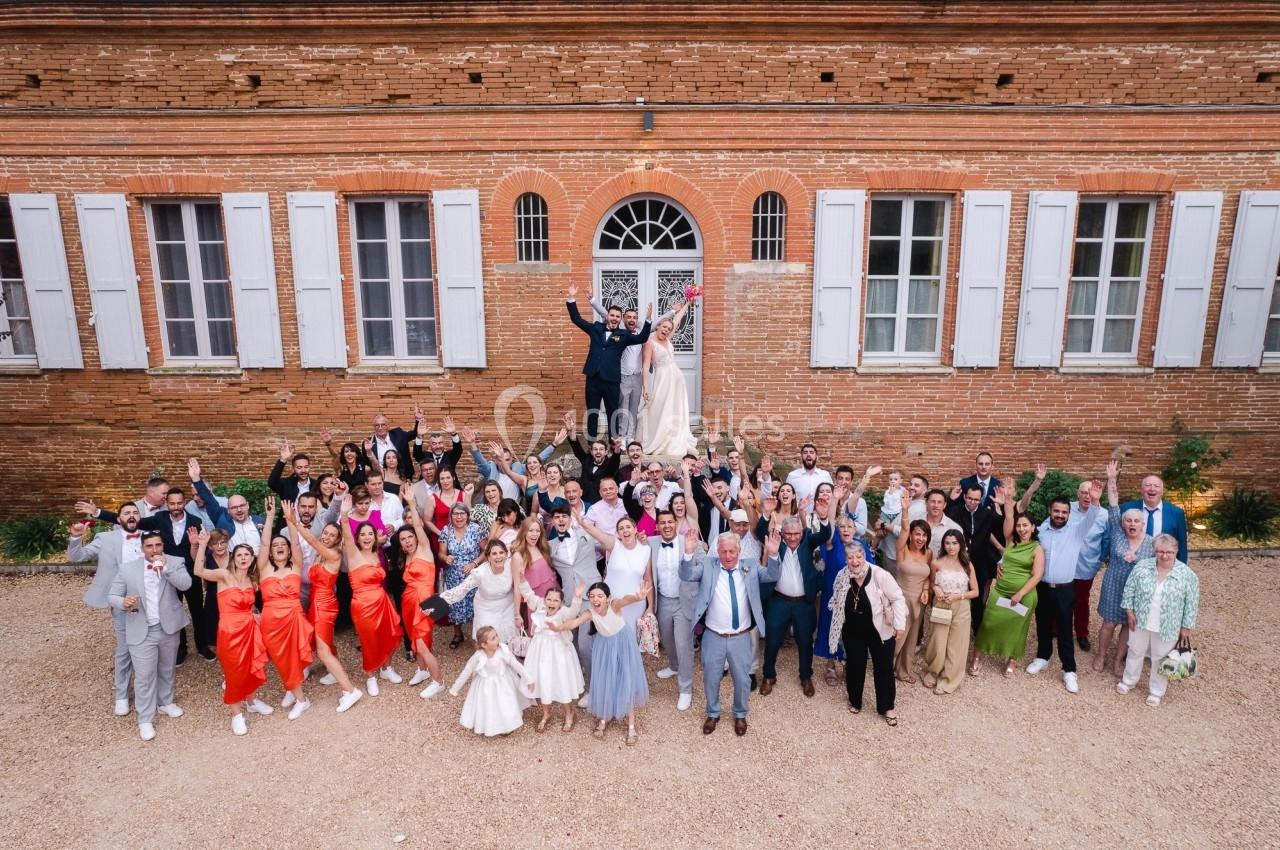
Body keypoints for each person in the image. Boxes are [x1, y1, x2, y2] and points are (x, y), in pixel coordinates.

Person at [679, 529, 782, 737]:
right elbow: (686, 575)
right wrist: (688, 553)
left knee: (743, 679)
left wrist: (772, 554)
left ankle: (740, 713)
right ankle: (713, 712)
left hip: (741, 636)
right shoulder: (708, 566)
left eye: (732, 551)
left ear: (739, 551)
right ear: (717, 551)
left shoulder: (750, 566)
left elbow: (772, 575)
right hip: (713, 635)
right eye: (723, 551)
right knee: (711, 677)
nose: (727, 556)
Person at [91, 488, 208, 664]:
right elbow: (133, 521)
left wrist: (194, 545)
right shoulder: (160, 518)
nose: (176, 507)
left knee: (197, 610)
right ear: (166, 503)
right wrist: (98, 513)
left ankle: (202, 645)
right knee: (172, 610)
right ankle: (181, 648)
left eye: (179, 503)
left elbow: (197, 553)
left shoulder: (195, 521)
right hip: (166, 573)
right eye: (172, 503)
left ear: (184, 502)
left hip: (189, 574)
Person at [277, 507, 363, 712]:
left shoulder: (333, 554)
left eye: (332, 535)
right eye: (325, 533)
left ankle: (350, 690)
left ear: (337, 539)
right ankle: (332, 673)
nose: (326, 537)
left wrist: (295, 522)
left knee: (323, 652)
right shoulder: (320, 555)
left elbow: (312, 541)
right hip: (317, 602)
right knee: (323, 643)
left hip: (324, 605)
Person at [107, 530, 191, 741]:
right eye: (150, 546)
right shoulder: (128, 568)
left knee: (167, 669)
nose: (154, 550)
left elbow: (186, 584)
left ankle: (165, 702)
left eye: (158, 545)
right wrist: (123, 602)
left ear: (163, 545)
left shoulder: (175, 561)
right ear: (142, 547)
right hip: (141, 629)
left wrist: (166, 569)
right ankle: (144, 719)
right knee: (144, 676)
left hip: (168, 626)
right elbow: (112, 595)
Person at [552, 580, 652, 744]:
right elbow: (575, 622)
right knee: (605, 680)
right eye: (592, 596)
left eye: (600, 596)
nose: (595, 599)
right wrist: (559, 627)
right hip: (604, 647)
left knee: (624, 680)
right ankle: (604, 717)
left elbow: (625, 600)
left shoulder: (613, 605)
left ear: (608, 597)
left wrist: (637, 597)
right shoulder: (590, 613)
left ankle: (631, 725)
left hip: (622, 645)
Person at [67, 504, 144, 716]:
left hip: (148, 599)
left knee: (148, 645)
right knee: (125, 647)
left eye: (135, 513)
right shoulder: (105, 538)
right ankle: (122, 695)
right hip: (120, 600)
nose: (131, 516)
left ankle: (149, 693)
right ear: (118, 519)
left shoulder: (150, 537)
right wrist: (76, 537)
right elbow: (77, 557)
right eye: (126, 513)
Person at [193, 538, 273, 735]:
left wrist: (256, 614)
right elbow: (198, 571)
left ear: (252, 558)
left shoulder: (252, 579)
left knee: (252, 667)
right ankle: (236, 715)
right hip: (230, 630)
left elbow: (250, 604)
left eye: (247, 555)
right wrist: (202, 545)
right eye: (239, 555)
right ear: (233, 558)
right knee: (234, 672)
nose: (243, 558)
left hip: (249, 628)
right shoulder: (224, 575)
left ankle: (251, 702)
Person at [826, 543, 907, 726]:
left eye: (858, 557)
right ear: (846, 559)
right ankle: (855, 700)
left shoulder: (880, 575)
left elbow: (897, 598)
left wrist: (899, 625)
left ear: (864, 556)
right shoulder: (842, 576)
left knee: (884, 668)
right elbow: (837, 600)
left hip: (879, 630)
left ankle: (887, 707)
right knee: (855, 666)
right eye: (850, 557)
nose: (855, 561)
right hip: (853, 630)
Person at [1118, 535, 1199, 707]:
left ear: (1176, 551)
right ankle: (1128, 681)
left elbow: (1191, 603)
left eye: (1169, 552)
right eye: (1160, 551)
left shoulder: (1187, 574)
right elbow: (1129, 589)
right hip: (1140, 619)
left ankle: (1156, 691)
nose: (1164, 556)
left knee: (1160, 657)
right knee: (1135, 651)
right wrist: (1129, 611)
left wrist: (1186, 627)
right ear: (1154, 551)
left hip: (1169, 624)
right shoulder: (1142, 566)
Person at [566, 281, 652, 440]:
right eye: (612, 315)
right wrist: (571, 298)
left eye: (618, 317)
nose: (614, 318)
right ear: (607, 316)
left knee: (613, 413)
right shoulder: (596, 328)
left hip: (612, 381)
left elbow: (642, 337)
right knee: (592, 413)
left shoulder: (624, 335)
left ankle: (615, 446)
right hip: (593, 378)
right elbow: (576, 319)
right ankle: (592, 445)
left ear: (620, 320)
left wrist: (647, 320)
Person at [972, 485, 1043, 677]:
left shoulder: (1037, 548)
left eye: (1025, 525)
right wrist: (1008, 501)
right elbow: (1009, 517)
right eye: (1019, 526)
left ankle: (1012, 659)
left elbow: (1037, 575)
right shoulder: (1011, 541)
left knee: (1017, 628)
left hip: (1024, 594)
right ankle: (977, 656)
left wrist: (1020, 593)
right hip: (1002, 589)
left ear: (1033, 527)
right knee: (988, 622)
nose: (1021, 529)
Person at [254, 497, 314, 720]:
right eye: (275, 546)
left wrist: (291, 520)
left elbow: (296, 543)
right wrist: (270, 517)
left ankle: (301, 699)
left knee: (294, 657)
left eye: (283, 545)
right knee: (280, 658)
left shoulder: (295, 566)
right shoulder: (264, 569)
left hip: (293, 617)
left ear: (289, 551)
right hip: (272, 620)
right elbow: (263, 544)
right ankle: (293, 689)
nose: (279, 547)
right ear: (270, 552)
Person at [758, 513, 830, 698]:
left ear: (802, 533)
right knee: (772, 641)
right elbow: (760, 531)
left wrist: (823, 517)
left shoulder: (807, 543)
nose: (792, 538)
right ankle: (768, 676)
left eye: (796, 533)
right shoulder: (777, 544)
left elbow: (824, 535)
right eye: (788, 534)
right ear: (782, 533)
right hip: (779, 601)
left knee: (805, 642)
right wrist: (766, 514)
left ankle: (806, 677)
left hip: (803, 604)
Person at [339, 494, 404, 696]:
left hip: (382, 601)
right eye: (363, 534)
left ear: (375, 537)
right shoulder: (353, 554)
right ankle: (370, 675)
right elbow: (346, 534)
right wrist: (344, 514)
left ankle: (386, 668)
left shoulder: (376, 553)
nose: (367, 537)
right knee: (369, 641)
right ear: (357, 538)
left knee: (388, 635)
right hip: (363, 605)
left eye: (370, 534)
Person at [1027, 495, 1093, 694]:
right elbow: (1022, 546)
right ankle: (1043, 657)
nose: (1060, 515)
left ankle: (1069, 669)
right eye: (1056, 511)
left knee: (1065, 629)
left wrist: (1096, 501)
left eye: (1064, 512)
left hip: (1065, 589)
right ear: (1050, 511)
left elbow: (1092, 517)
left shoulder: (1077, 531)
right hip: (1043, 587)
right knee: (1043, 624)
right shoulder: (1040, 532)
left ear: (1069, 514)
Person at [1095, 460, 1154, 676]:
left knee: (1128, 626)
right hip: (1114, 584)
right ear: (1123, 523)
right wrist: (1111, 479)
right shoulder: (1118, 533)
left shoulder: (1151, 543)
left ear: (1142, 524)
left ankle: (1119, 660)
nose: (1131, 524)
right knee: (1109, 623)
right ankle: (1101, 655)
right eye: (1128, 520)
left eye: (1136, 521)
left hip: (1136, 591)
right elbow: (1113, 504)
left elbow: (1156, 568)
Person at [393, 491, 445, 699]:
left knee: (422, 644)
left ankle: (438, 682)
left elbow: (417, 524)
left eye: (410, 537)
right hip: (409, 602)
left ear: (416, 536)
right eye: (403, 539)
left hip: (426, 602)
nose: (407, 541)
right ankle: (422, 670)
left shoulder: (424, 549)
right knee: (415, 639)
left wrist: (411, 503)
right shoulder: (407, 557)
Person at [817, 516, 878, 687]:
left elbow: (870, 569)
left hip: (855, 596)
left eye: (849, 526)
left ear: (854, 529)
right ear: (837, 529)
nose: (846, 530)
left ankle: (847, 662)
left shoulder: (861, 545)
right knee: (830, 627)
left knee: (852, 630)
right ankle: (830, 664)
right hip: (834, 595)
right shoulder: (832, 543)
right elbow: (828, 523)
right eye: (842, 526)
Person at [519, 581, 587, 732]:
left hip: (559, 651)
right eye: (549, 599)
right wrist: (522, 579)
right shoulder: (540, 606)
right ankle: (546, 713)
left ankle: (569, 713)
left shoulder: (563, 612)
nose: (551, 602)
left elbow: (573, 612)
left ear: (561, 603)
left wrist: (577, 597)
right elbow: (528, 594)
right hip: (540, 650)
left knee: (562, 680)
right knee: (542, 679)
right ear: (544, 600)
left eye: (556, 600)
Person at [635, 300, 698, 457]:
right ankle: (657, 437)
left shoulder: (668, 339)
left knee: (675, 407)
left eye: (669, 329)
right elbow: (645, 367)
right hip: (663, 379)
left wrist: (688, 303)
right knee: (659, 406)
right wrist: (645, 387)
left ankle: (673, 437)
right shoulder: (650, 343)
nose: (666, 330)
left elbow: (677, 319)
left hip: (677, 379)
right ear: (658, 327)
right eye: (664, 327)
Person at [648, 509, 697, 710]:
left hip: (683, 601)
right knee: (667, 640)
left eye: (670, 522)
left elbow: (702, 568)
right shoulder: (650, 543)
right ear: (657, 526)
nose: (667, 525)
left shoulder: (689, 542)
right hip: (663, 601)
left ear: (676, 524)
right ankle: (675, 666)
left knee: (683, 644)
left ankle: (685, 689)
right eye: (663, 522)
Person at [448, 625, 533, 737]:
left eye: (496, 636)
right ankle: (491, 724)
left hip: (503, 684)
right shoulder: (478, 656)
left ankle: (507, 724)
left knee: (505, 704)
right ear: (484, 645)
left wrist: (528, 678)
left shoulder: (503, 651)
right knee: (489, 705)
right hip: (485, 685)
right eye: (493, 638)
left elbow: (516, 665)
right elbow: (466, 671)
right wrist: (455, 689)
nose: (497, 639)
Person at [922, 530, 979, 694]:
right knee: (937, 642)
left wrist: (958, 596)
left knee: (957, 645)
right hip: (941, 605)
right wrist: (936, 588)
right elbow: (931, 583)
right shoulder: (936, 563)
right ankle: (932, 672)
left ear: (961, 544)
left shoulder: (967, 565)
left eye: (954, 543)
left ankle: (948, 679)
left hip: (961, 606)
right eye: (947, 543)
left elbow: (975, 592)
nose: (951, 547)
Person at [546, 505, 600, 679]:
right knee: (571, 642)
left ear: (570, 519)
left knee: (585, 644)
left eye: (564, 516)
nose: (561, 520)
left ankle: (592, 684)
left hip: (590, 594)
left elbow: (606, 543)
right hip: (569, 598)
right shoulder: (550, 546)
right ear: (552, 522)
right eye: (557, 517)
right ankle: (577, 678)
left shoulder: (585, 534)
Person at [577, 511, 653, 631]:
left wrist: (650, 607)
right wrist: (584, 524)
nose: (625, 530)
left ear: (635, 530)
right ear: (618, 533)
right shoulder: (614, 545)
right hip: (612, 603)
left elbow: (648, 579)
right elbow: (599, 535)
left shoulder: (646, 550)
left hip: (636, 604)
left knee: (631, 638)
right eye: (621, 528)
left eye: (628, 527)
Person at [944, 480, 1001, 632]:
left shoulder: (987, 514)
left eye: (976, 499)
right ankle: (952, 626)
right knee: (955, 591)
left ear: (980, 500)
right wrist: (951, 500)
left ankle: (977, 628)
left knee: (978, 594)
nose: (972, 502)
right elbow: (944, 518)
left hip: (980, 560)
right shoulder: (955, 511)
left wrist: (1001, 506)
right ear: (965, 497)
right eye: (970, 498)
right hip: (958, 559)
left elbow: (1002, 525)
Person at [440, 539, 520, 644]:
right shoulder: (480, 573)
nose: (498, 557)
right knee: (487, 641)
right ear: (488, 557)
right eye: (494, 554)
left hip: (507, 607)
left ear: (506, 554)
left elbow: (522, 586)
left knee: (507, 641)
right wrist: (439, 601)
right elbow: (461, 590)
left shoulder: (511, 565)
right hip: (485, 608)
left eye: (501, 553)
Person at [1066, 477, 1108, 651]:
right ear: (1078, 494)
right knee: (1060, 598)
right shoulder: (1067, 508)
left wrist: (1099, 561)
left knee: (1081, 600)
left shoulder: (1103, 515)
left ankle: (1081, 633)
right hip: (1064, 564)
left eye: (1090, 493)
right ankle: (1056, 628)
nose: (1087, 496)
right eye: (1084, 492)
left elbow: (1106, 540)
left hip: (1086, 565)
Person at [188, 458, 265, 552]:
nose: (239, 510)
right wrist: (196, 479)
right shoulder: (222, 519)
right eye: (234, 507)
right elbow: (209, 500)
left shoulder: (260, 521)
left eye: (242, 506)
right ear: (228, 510)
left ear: (247, 505)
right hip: (232, 560)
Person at [438, 502, 486, 650]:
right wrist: (445, 558)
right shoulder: (446, 530)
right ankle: (458, 634)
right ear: (451, 516)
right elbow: (441, 553)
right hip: (453, 575)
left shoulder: (476, 529)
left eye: (462, 513)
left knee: (476, 604)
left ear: (467, 515)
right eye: (455, 514)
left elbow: (487, 550)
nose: (459, 517)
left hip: (473, 575)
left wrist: (474, 563)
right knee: (455, 604)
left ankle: (478, 636)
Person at [893, 520, 933, 684]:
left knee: (912, 638)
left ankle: (903, 671)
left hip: (919, 601)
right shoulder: (902, 550)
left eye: (924, 535)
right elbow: (903, 528)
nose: (921, 538)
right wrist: (905, 510)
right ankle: (886, 667)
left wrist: (926, 590)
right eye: (917, 534)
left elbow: (928, 576)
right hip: (902, 599)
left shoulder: (928, 553)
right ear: (910, 535)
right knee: (898, 637)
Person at [1122, 474, 1189, 564]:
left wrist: (1181, 567)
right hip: (1132, 563)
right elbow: (1118, 533)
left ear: (1162, 491)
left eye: (1156, 486)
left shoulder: (1176, 513)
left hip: (1163, 563)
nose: (1152, 489)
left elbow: (1182, 545)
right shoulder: (1127, 508)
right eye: (1148, 485)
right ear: (1141, 490)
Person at [510, 516, 557, 625]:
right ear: (524, 532)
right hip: (537, 600)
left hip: (555, 593)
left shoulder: (542, 547)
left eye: (537, 531)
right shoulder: (518, 556)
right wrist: (517, 615)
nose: (535, 534)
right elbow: (517, 588)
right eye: (530, 530)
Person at [566, 413, 621, 502]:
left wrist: (617, 448)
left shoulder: (609, 465)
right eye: (595, 449)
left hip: (602, 503)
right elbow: (576, 448)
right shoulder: (587, 460)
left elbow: (615, 460)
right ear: (591, 452)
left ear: (606, 452)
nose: (598, 451)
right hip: (584, 501)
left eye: (601, 449)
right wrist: (571, 430)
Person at [368, 405, 426, 481]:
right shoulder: (369, 444)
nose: (380, 428)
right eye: (377, 425)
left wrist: (418, 420)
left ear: (388, 426)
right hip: (381, 480)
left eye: (383, 425)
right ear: (373, 427)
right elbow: (368, 464)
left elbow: (414, 434)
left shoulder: (398, 434)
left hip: (403, 477)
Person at [923, 489, 962, 558]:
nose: (936, 505)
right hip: (918, 564)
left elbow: (961, 554)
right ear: (926, 503)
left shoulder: (954, 528)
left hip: (942, 564)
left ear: (944, 505)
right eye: (933, 501)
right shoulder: (916, 522)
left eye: (939, 502)